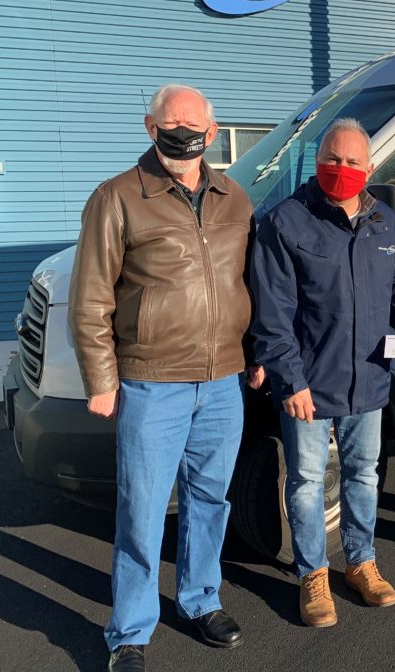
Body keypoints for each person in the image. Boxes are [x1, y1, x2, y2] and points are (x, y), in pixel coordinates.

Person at [69, 84, 257, 672]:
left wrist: (257, 353)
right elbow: (91, 298)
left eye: (194, 123)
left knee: (210, 499)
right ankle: (129, 630)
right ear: (150, 128)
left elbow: (252, 285)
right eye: (171, 122)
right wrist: (101, 380)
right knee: (143, 509)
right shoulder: (118, 197)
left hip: (223, 380)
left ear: (212, 128)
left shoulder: (235, 199)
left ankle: (201, 600)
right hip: (152, 382)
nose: (184, 131)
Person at [249, 117, 395, 628]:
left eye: (352, 162)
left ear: (369, 168)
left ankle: (361, 561)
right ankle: (313, 574)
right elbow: (273, 314)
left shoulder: (385, 222)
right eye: (332, 158)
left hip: (369, 380)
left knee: (363, 477)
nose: (341, 169)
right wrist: (290, 380)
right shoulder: (286, 222)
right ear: (317, 159)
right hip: (309, 383)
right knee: (306, 480)